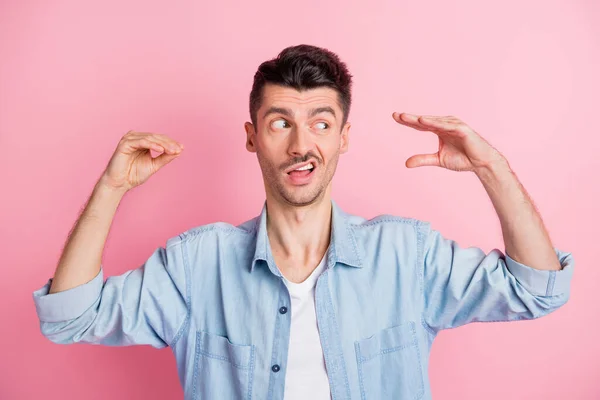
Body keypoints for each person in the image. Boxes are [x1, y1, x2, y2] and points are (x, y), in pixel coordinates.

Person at [32, 44, 574, 400]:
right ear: (251, 136)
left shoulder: (407, 256)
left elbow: (537, 290)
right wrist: (112, 189)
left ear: (344, 137)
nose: (300, 145)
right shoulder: (197, 265)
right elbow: (70, 318)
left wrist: (491, 168)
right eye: (279, 123)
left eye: (321, 122)